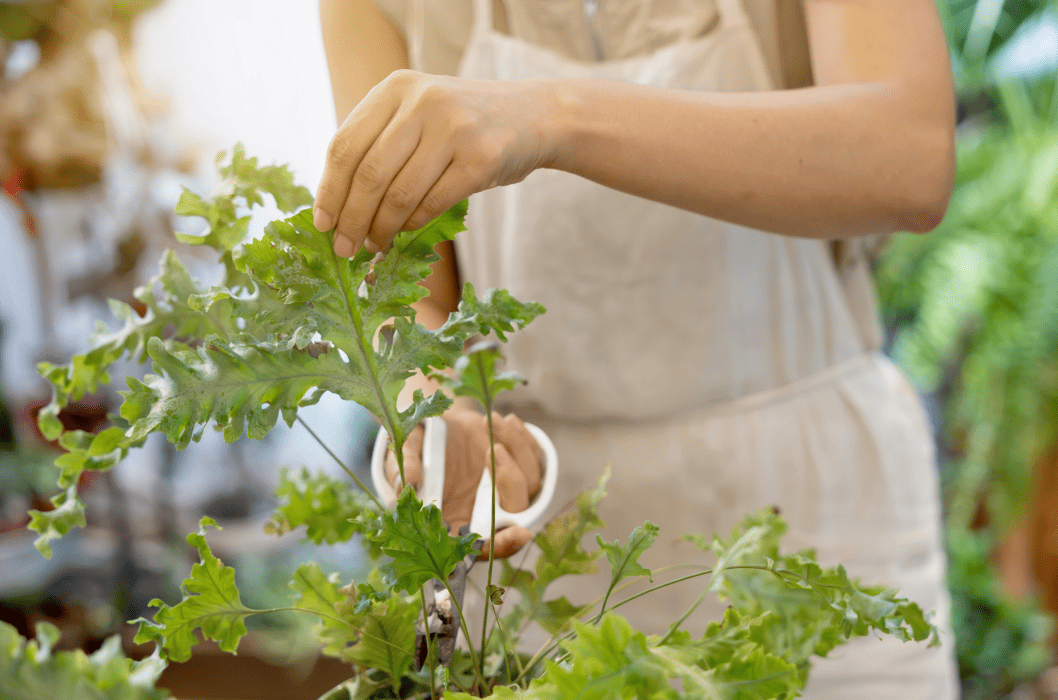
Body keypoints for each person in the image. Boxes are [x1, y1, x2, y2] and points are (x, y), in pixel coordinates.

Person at [316, 0, 958, 697]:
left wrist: (553, 116)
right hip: (545, 546)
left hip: (814, 519)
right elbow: (418, 294)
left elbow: (908, 159)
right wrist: (438, 415)